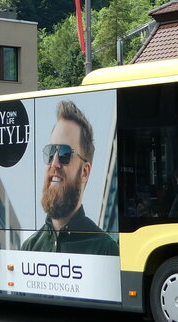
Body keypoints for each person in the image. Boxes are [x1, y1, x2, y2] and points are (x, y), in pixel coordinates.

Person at [21, 100, 118, 255]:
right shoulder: (29, 247)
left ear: (84, 172)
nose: (55, 163)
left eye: (65, 154)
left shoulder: (104, 249)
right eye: (51, 152)